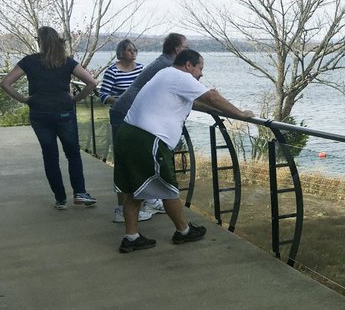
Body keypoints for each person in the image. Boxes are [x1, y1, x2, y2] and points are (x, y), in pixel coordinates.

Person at [113, 48, 254, 253]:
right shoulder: (180, 76)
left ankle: (131, 237)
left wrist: (214, 107)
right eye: (200, 68)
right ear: (188, 64)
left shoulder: (165, 74)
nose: (201, 74)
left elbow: (196, 102)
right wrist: (240, 114)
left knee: (136, 190)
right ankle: (183, 231)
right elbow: (212, 97)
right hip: (147, 139)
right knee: (167, 189)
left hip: (128, 134)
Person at [0, 26, 98, 209]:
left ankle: (60, 199)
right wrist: (75, 99)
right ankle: (80, 193)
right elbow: (92, 82)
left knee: (50, 156)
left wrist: (24, 99)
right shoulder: (67, 62)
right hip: (64, 112)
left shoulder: (29, 61)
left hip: (39, 113)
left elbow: (5, 83)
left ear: (40, 42)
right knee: (73, 154)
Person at [110, 32, 189, 217]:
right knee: (132, 163)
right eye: (186, 47)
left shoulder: (163, 62)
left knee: (130, 162)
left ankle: (146, 203)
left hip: (125, 110)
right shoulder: (169, 67)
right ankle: (125, 211)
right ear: (177, 49)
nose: (188, 50)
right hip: (128, 113)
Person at [99, 38, 152, 223]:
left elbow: (149, 90)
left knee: (140, 158)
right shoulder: (113, 71)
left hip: (140, 117)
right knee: (123, 160)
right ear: (121, 52)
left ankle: (144, 202)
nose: (133, 53)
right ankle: (122, 208)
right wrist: (121, 101)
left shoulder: (141, 69)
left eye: (134, 50)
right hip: (120, 118)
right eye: (129, 50)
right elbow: (103, 95)